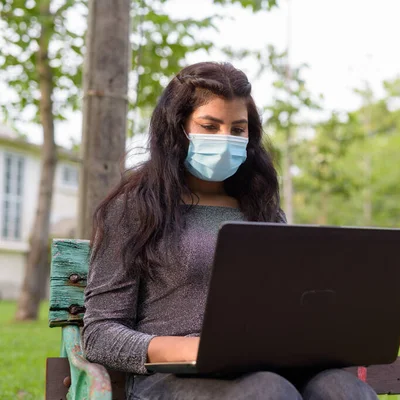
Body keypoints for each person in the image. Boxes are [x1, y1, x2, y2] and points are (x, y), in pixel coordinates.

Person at [82, 61, 379, 400]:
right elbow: (99, 334)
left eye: (238, 129)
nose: (225, 139)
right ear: (177, 128)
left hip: (266, 367)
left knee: (343, 389)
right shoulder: (135, 208)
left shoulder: (262, 210)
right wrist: (185, 349)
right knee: (268, 391)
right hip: (170, 378)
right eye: (210, 126)